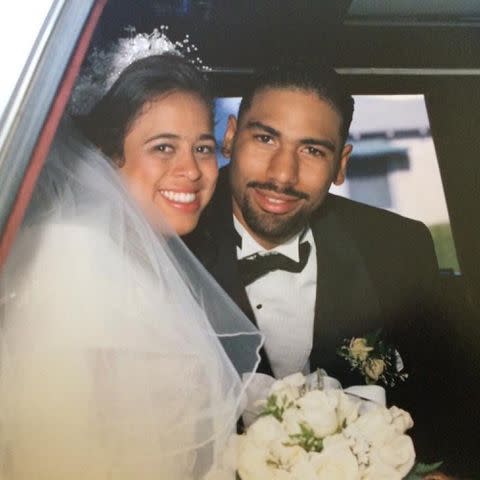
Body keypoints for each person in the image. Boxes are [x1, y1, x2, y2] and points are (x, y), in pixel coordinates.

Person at [0, 33, 262, 479]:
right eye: (163, 147)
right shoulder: (69, 260)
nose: (192, 170)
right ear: (105, 156)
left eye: (202, 147)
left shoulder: (143, 260)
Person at [185, 61, 469, 468]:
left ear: (341, 165)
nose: (283, 174)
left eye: (312, 150)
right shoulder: (166, 245)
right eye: (265, 138)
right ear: (230, 137)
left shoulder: (397, 245)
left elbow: (449, 407)